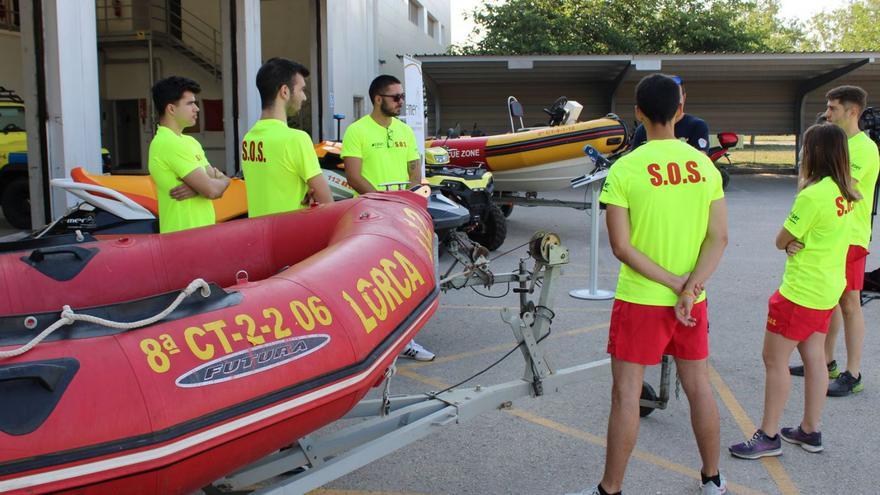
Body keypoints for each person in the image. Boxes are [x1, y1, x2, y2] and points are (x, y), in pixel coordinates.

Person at [577, 74, 728, 495]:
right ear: (680, 111)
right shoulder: (704, 166)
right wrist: (689, 287)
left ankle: (611, 489)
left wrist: (673, 283)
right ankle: (713, 479)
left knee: (626, 395)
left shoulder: (624, 169)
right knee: (699, 388)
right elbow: (720, 238)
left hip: (641, 298)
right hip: (692, 300)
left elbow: (622, 248)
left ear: (638, 113)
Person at [729, 123, 859, 459]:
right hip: (827, 288)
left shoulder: (813, 195)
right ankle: (810, 430)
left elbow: (781, 239)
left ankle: (768, 435)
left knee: (775, 360)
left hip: (801, 290)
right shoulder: (847, 191)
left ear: (815, 153)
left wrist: (790, 244)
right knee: (814, 357)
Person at [789, 86, 880, 397]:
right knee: (831, 300)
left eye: (832, 109)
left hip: (850, 236)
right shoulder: (841, 144)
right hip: (832, 235)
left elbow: (839, 188)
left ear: (851, 112)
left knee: (850, 303)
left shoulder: (862, 148)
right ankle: (826, 362)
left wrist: (808, 176)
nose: (827, 114)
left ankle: (853, 373)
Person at [341, 74, 432, 362]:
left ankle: (406, 340)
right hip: (372, 214)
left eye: (403, 96)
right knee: (370, 280)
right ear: (378, 99)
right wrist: (383, 202)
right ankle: (370, 343)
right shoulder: (357, 131)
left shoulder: (404, 131)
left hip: (402, 213)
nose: (401, 102)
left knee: (404, 277)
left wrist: (412, 198)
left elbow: (414, 169)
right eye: (396, 97)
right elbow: (353, 175)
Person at [242, 58, 332, 217]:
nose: (304, 97)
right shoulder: (296, 139)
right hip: (289, 235)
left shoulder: (248, 139)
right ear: (285, 91)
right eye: (301, 90)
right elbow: (327, 203)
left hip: (258, 233)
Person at [148, 76, 230, 233]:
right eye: (190, 103)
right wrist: (222, 181)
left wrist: (199, 188)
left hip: (200, 237)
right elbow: (212, 190)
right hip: (183, 239)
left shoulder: (190, 142)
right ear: (171, 109)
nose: (197, 108)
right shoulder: (168, 143)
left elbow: (211, 185)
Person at [629, 75, 710, 154]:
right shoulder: (642, 129)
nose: (669, 99)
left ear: (683, 98)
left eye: (675, 95)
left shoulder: (696, 125)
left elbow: (701, 156)